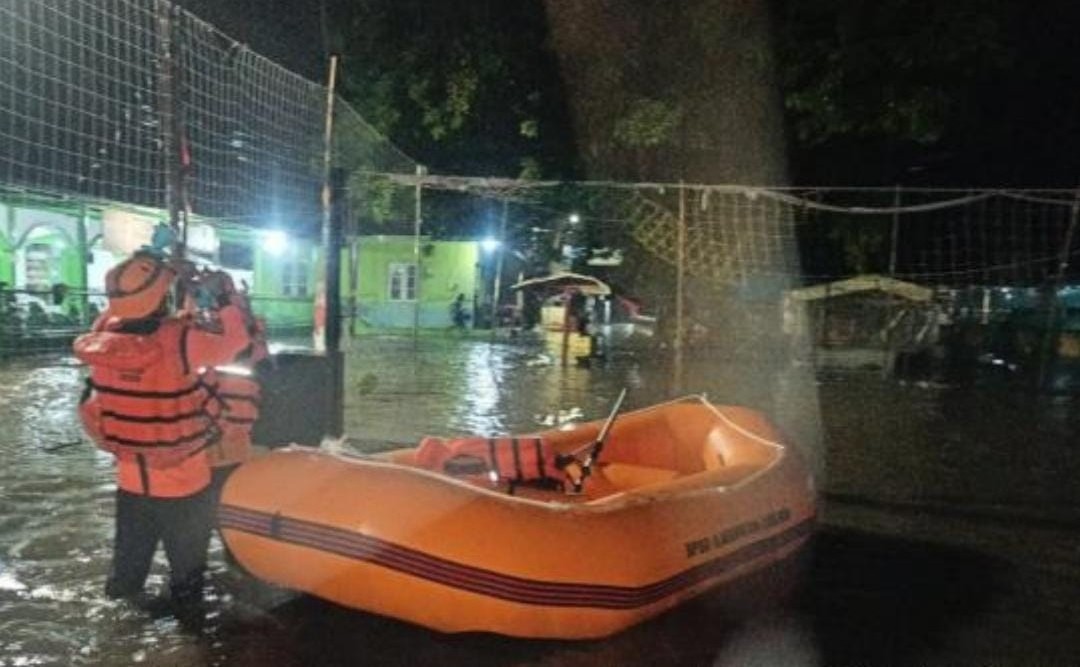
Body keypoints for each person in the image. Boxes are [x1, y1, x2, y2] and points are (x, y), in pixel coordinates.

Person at [73, 251, 250, 611]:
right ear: (159, 298)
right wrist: (224, 298)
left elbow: (120, 312)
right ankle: (190, 641)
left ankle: (117, 639)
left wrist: (158, 281)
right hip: (184, 485)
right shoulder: (182, 342)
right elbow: (236, 342)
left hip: (131, 483)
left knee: (125, 579)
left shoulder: (103, 337)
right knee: (187, 579)